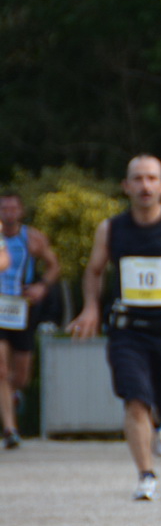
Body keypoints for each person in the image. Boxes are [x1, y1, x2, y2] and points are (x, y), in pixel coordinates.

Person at [68, 156, 161, 499]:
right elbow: (94, 270)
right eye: (137, 179)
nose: (145, 186)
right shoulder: (111, 229)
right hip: (127, 331)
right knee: (135, 399)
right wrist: (90, 306)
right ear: (126, 187)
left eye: (152, 178)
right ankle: (146, 475)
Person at [0, 192, 62, 448]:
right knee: (1, 369)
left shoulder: (32, 238)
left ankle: (14, 394)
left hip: (22, 308)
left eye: (13, 208)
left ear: (21, 211)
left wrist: (42, 286)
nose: (8, 213)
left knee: (22, 374)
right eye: (4, 208)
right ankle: (10, 429)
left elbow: (54, 265)